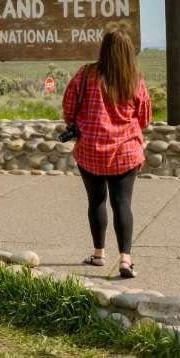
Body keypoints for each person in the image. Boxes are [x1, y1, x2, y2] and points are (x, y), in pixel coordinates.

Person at [62, 30, 152, 279]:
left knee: (96, 202)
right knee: (122, 203)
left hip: (90, 150)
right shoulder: (135, 79)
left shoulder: (86, 74)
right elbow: (144, 118)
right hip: (126, 152)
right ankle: (126, 259)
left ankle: (99, 254)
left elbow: (69, 106)